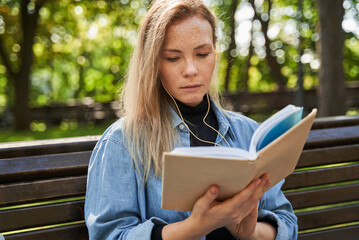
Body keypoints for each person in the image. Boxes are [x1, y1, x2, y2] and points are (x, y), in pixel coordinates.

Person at [84, 0, 298, 239]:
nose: (191, 69)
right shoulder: (124, 141)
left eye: (202, 54)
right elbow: (110, 235)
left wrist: (250, 233)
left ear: (215, 55)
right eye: (173, 58)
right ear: (153, 64)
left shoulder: (248, 132)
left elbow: (286, 221)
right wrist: (194, 228)